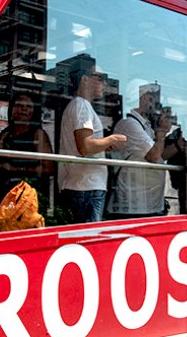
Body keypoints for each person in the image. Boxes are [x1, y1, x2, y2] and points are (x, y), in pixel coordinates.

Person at [58, 65, 127, 222]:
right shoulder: (82, 105)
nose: (105, 84)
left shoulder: (79, 105)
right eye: (101, 78)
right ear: (85, 79)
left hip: (83, 186)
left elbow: (85, 146)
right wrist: (112, 139)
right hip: (86, 187)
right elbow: (85, 147)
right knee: (87, 240)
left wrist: (104, 145)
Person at [107, 83, 173, 218]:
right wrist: (161, 133)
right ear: (143, 99)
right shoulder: (129, 124)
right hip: (134, 205)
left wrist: (177, 144)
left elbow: (159, 156)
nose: (155, 105)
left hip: (149, 203)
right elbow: (153, 156)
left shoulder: (145, 126)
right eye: (152, 99)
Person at [0, 91, 53, 206]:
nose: (23, 109)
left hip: (28, 195)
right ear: (12, 109)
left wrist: (16, 169)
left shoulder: (38, 134)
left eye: (28, 106)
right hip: (5, 193)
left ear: (34, 111)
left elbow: (49, 169)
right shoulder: (6, 134)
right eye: (19, 105)